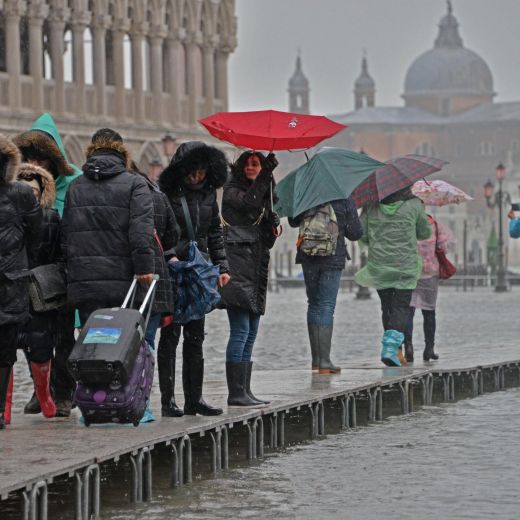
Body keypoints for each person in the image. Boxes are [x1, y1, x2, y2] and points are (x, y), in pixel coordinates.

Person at [14, 112, 82, 417]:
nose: (36, 165)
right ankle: (40, 391)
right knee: (34, 338)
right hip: (29, 275)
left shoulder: (75, 184)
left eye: (42, 159)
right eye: (31, 158)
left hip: (62, 273)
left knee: (64, 336)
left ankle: (64, 392)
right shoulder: (20, 187)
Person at [158, 141, 230, 417]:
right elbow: (157, 230)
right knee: (171, 335)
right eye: (193, 172)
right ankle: (168, 401)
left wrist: (221, 266)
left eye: (202, 172)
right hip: (174, 269)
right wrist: (169, 256)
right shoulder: (166, 194)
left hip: (198, 270)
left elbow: (214, 232)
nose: (197, 177)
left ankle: (194, 399)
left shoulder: (209, 194)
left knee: (196, 335)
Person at [62, 128, 155, 324]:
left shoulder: (75, 185)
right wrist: (144, 269)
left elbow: (67, 235)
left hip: (85, 280)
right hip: (123, 279)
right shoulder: (136, 184)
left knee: (92, 333)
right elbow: (140, 231)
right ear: (122, 151)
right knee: (121, 334)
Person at [220, 151, 280, 406]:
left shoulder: (264, 197)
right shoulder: (232, 190)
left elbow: (265, 240)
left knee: (252, 331)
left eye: (256, 164)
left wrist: (271, 226)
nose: (251, 168)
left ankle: (245, 390)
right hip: (237, 268)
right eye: (248, 164)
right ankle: (235, 392)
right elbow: (248, 204)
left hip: (255, 270)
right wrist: (266, 174)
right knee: (240, 331)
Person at [355, 187, 432, 367]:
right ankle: (390, 349)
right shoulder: (414, 204)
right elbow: (425, 233)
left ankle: (395, 351)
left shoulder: (371, 205)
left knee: (387, 307)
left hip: (380, 265)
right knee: (400, 308)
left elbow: (361, 233)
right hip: (405, 266)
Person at [289, 197, 363, 374]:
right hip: (333, 256)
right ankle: (324, 361)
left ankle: (316, 361)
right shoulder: (343, 198)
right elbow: (356, 233)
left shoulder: (306, 195)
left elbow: (293, 221)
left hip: (308, 255)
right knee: (326, 306)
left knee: (314, 304)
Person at [0, 135, 42, 429]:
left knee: (5, 350)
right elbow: (35, 235)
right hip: (11, 281)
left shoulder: (20, 195)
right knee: (4, 352)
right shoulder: (21, 194)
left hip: (10, 282)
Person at [17, 163, 62, 419]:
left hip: (41, 290)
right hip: (10, 287)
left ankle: (44, 394)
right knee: (6, 348)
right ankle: (4, 406)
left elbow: (58, 252)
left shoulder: (51, 217)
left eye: (33, 192)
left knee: (41, 343)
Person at [130, 161, 180, 349]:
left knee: (116, 340)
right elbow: (172, 236)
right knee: (146, 340)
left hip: (119, 280)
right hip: (153, 278)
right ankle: (144, 367)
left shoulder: (112, 195)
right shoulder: (158, 196)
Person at [404, 214, 451, 362]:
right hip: (430, 273)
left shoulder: (407, 223)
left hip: (411, 271)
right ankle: (429, 349)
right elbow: (443, 248)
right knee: (429, 312)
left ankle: (408, 347)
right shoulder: (435, 225)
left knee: (409, 311)